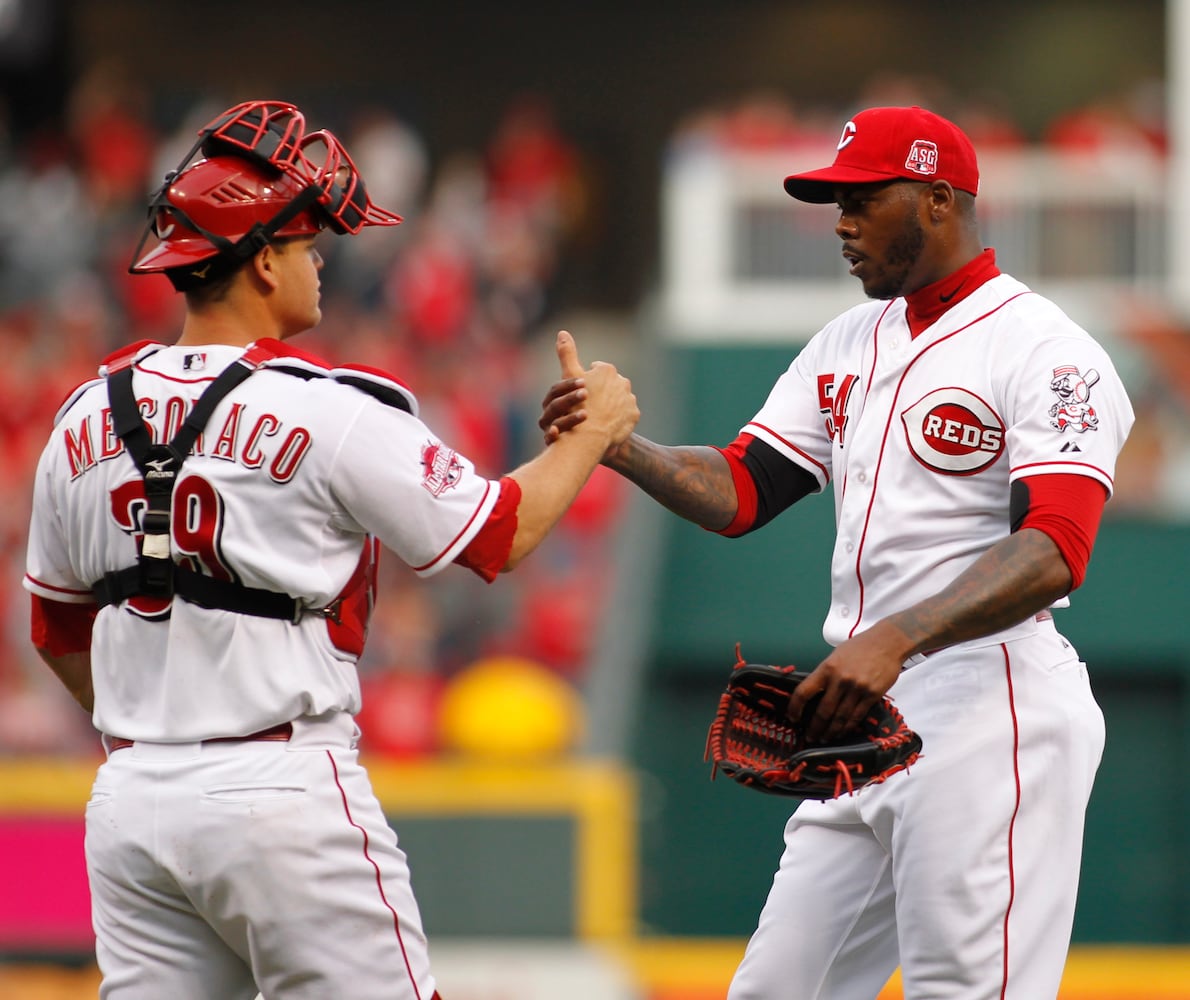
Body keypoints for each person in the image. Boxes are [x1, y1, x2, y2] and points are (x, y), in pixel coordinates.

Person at [22, 99, 637, 1000]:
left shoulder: (81, 414)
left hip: (130, 802)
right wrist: (592, 435)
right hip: (280, 787)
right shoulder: (326, 406)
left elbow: (53, 628)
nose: (320, 264)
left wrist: (151, 717)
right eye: (309, 247)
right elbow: (497, 536)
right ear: (262, 259)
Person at [541, 106, 1134, 998]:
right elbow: (744, 489)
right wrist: (620, 446)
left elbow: (1056, 546)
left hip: (991, 702)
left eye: (862, 199)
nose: (841, 223)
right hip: (868, 717)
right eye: (834, 202)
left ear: (938, 199)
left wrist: (894, 637)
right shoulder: (848, 342)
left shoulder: (1047, 349)